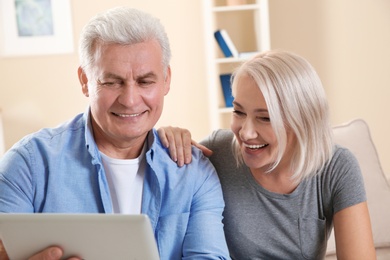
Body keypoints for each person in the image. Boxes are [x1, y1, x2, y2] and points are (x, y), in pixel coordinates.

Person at [0, 7, 230, 260]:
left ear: (166, 80)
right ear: (85, 81)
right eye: (111, 82)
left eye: (145, 81)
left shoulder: (194, 172)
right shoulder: (28, 165)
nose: (130, 100)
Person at [158, 50, 376, 259]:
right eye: (238, 112)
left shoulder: (336, 168)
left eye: (265, 118)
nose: (246, 132)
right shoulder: (217, 152)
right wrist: (166, 141)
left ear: (303, 120)